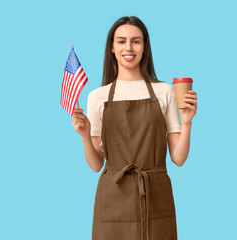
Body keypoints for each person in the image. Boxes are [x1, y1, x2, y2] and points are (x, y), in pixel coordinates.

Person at [72, 16, 197, 240]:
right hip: (113, 199)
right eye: (121, 41)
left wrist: (187, 121)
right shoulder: (97, 97)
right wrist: (84, 136)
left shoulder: (164, 92)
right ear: (112, 47)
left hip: (155, 197)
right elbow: (95, 164)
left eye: (136, 41)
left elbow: (178, 158)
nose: (128, 48)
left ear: (145, 46)